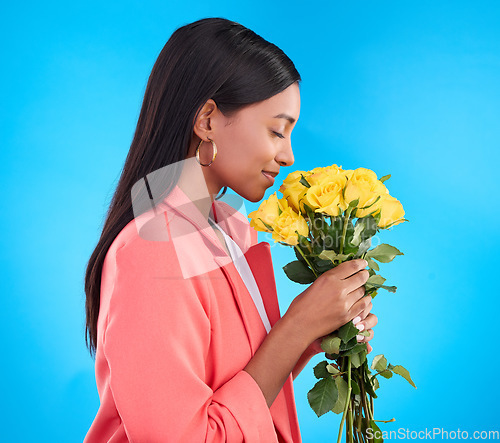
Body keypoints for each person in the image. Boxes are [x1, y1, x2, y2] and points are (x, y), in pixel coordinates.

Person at [83, 17, 377, 442]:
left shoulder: (232, 227)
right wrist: (295, 325)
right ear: (207, 120)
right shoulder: (150, 249)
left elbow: (235, 390)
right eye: (277, 130)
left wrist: (313, 330)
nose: (289, 155)